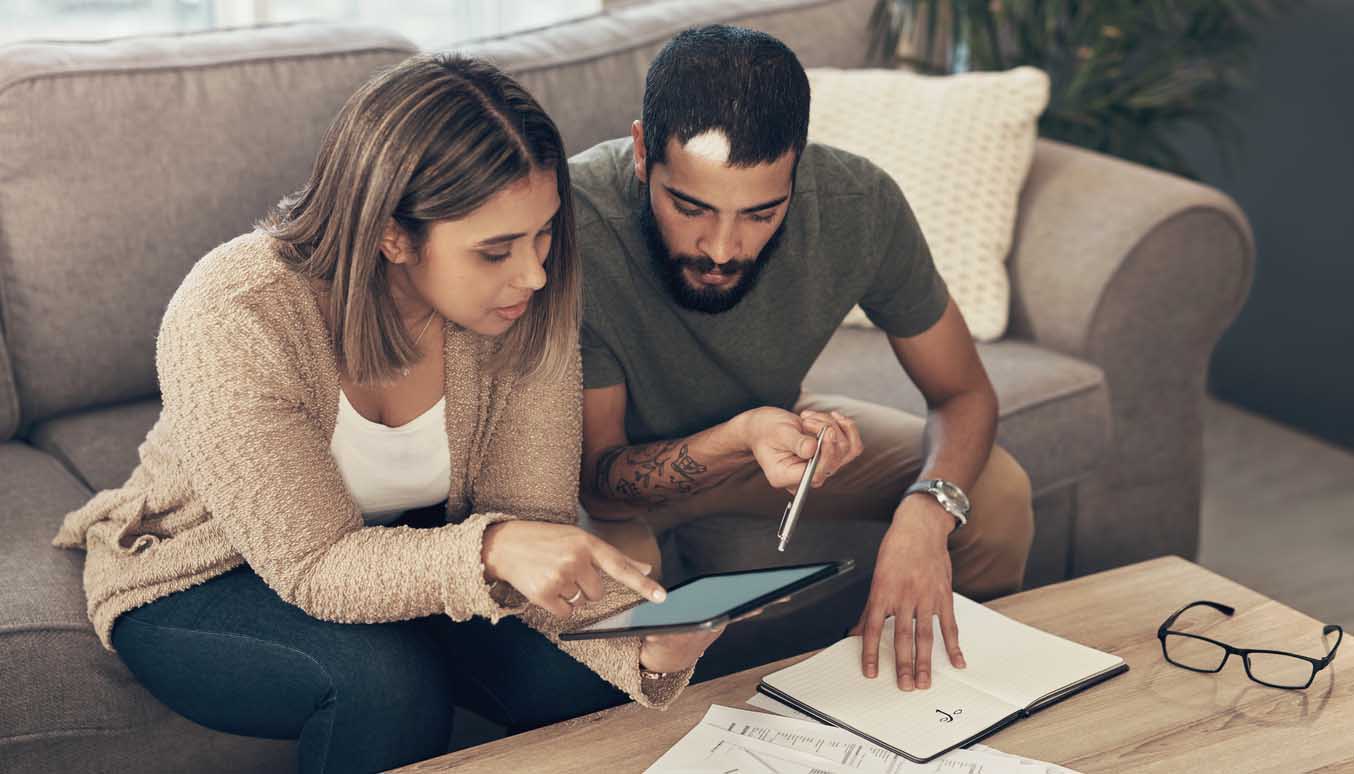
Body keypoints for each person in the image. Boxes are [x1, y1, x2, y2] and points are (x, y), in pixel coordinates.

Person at [53, 54, 719, 774]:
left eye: (544, 233)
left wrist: (638, 639)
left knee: (583, 674)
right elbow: (314, 565)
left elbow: (530, 524)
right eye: (495, 250)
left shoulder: (525, 303)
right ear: (392, 236)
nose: (533, 272)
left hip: (418, 552)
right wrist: (492, 549)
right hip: (213, 570)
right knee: (386, 685)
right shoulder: (236, 312)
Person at [571, 26, 1035, 695]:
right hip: (618, 483)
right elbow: (599, 479)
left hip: (771, 440)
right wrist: (739, 437)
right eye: (689, 206)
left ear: (798, 169)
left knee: (995, 492)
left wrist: (924, 517)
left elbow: (963, 394)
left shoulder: (857, 204)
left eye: (762, 214)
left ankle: (956, 703)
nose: (723, 249)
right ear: (644, 153)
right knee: (614, 616)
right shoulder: (579, 227)